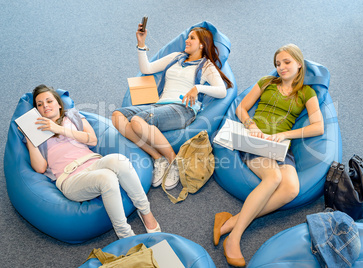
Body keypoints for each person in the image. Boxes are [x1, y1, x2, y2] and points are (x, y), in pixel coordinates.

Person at [213, 44, 324, 267]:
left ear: (299, 63)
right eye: (278, 64)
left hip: (282, 147)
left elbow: (318, 127)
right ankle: (233, 238)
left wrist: (284, 135)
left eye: (287, 62)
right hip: (256, 141)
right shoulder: (266, 82)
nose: (281, 67)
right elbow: (241, 108)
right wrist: (250, 124)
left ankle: (228, 223)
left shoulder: (306, 92)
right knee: (273, 178)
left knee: (291, 188)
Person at [23, 84, 161, 239]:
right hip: (70, 177)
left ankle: (145, 212)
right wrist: (30, 137)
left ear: (58, 104)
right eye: (40, 105)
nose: (45, 106)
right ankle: (124, 234)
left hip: (93, 162)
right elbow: (40, 168)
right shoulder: (37, 132)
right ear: (37, 111)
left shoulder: (72, 117)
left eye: (49, 101)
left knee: (120, 160)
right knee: (106, 178)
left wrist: (59, 129)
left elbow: (92, 139)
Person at [112, 24, 233, 191]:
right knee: (117, 116)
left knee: (137, 122)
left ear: (202, 44)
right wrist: (141, 44)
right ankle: (158, 158)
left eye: (192, 38)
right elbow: (146, 68)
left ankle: (174, 162)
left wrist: (198, 88)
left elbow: (221, 91)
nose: (186, 40)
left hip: (182, 108)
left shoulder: (206, 66)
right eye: (187, 36)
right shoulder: (176, 57)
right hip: (159, 105)